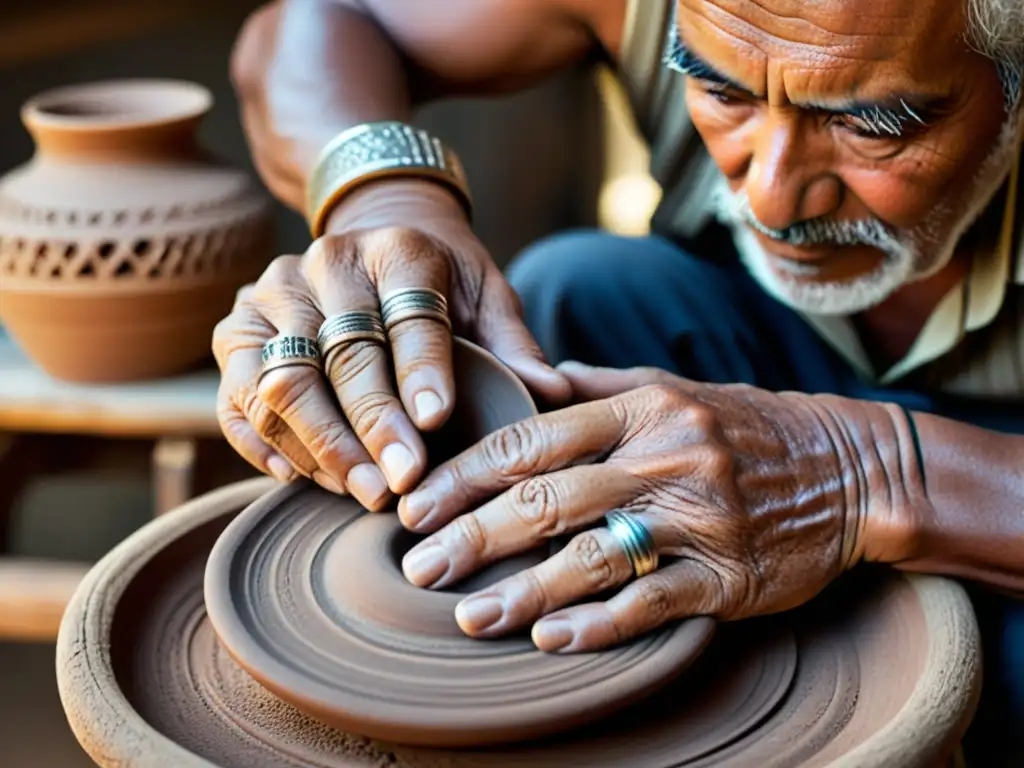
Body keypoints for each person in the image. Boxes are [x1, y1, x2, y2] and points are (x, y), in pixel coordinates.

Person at [215, 0, 1024, 757]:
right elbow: (323, 19)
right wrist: (382, 200)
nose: (774, 197)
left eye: (870, 125)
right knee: (581, 291)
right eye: (721, 91)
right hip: (771, 355)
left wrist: (866, 471)